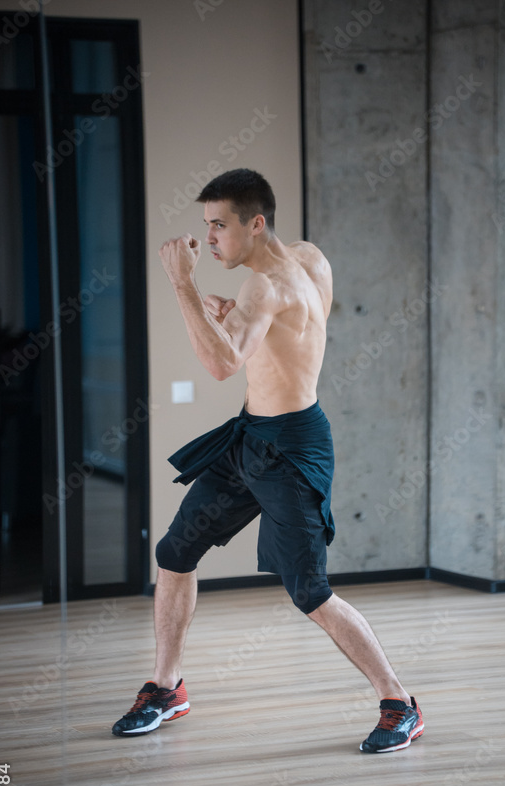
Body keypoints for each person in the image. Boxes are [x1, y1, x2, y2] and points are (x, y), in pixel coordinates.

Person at [111, 168, 422, 753]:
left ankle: (400, 703)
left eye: (219, 226)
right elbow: (292, 332)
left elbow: (221, 365)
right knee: (175, 551)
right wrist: (233, 316)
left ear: (255, 223)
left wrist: (182, 285)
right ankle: (166, 687)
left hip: (290, 449)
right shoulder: (308, 258)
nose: (209, 239)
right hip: (251, 437)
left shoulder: (263, 287)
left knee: (310, 591)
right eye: (206, 226)